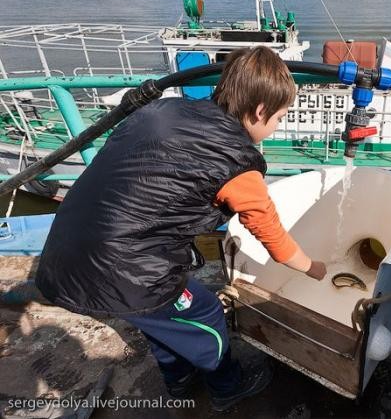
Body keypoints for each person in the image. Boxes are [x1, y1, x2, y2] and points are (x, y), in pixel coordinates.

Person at [35, 46, 327, 412]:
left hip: (68, 246)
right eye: (280, 117)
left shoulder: (164, 109)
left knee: (157, 317)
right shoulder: (236, 164)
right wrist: (317, 269)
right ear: (260, 111)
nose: (278, 126)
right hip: (120, 269)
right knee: (203, 313)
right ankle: (227, 386)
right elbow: (278, 245)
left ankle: (178, 378)